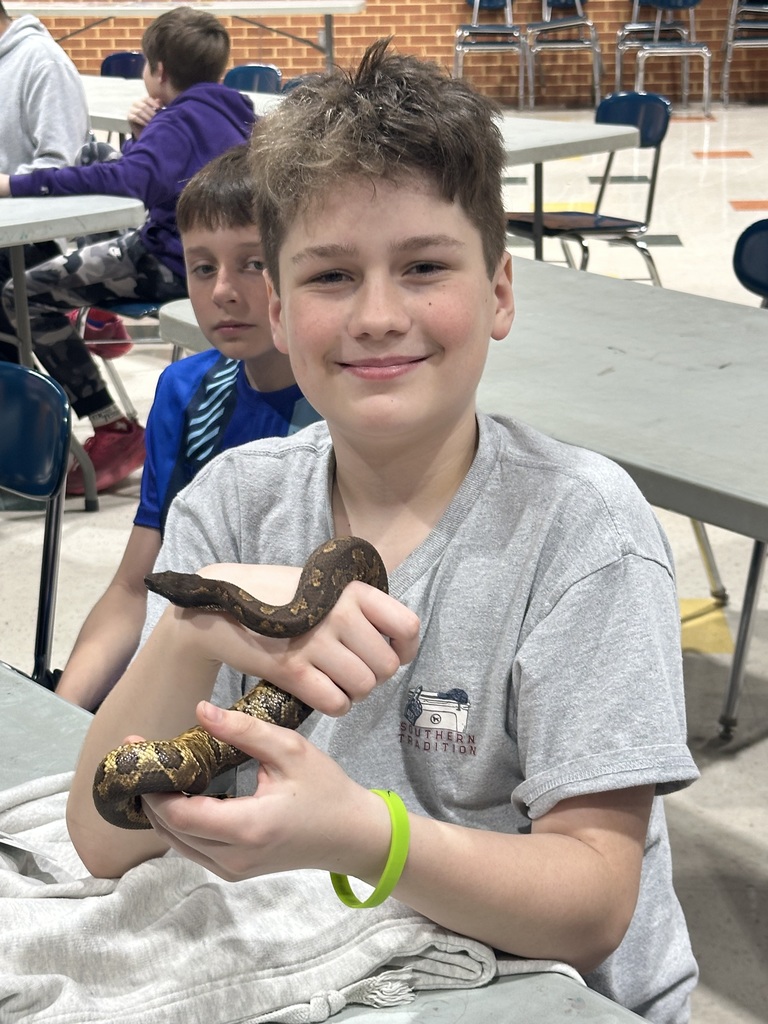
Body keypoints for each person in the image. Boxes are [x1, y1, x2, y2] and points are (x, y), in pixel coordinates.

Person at [66, 40, 699, 1023]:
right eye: (329, 277)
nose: (376, 314)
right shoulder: (232, 504)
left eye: (423, 267)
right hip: (321, 964)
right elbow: (104, 838)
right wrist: (193, 631)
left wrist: (364, 834)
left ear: (498, 293)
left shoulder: (582, 529)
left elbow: (595, 903)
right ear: (277, 312)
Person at [55, 145, 319, 711]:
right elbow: (135, 588)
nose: (222, 289)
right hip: (182, 682)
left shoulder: (338, 414)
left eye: (253, 263)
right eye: (204, 267)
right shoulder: (184, 392)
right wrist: (67, 714)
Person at [0, 6, 256, 495]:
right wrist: (149, 132)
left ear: (157, 71)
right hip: (207, 256)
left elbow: (127, 181)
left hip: (171, 262)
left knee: (20, 295)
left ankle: (112, 425)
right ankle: (98, 319)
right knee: (97, 153)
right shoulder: (233, 109)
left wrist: (15, 184)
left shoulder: (176, 123)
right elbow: (159, 168)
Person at [0, 0, 89, 363]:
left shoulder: (42, 63)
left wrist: (6, 185)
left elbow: (60, 167)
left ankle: (99, 409)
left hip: (41, 233)